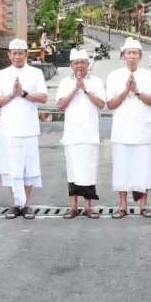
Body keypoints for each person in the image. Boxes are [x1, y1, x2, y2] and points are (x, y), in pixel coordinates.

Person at [0, 38, 49, 219]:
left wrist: (23, 93)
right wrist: (11, 94)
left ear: (26, 54)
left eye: (20, 53)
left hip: (29, 127)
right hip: (8, 129)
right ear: (9, 55)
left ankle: (25, 204)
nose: (17, 56)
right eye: (14, 53)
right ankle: (16, 203)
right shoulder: (1, 74)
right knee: (11, 167)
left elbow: (43, 97)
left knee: (28, 167)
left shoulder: (36, 73)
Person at [106, 37, 151, 218]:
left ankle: (144, 205)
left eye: (135, 53)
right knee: (122, 167)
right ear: (123, 56)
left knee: (143, 168)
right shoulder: (114, 76)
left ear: (140, 56)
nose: (131, 57)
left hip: (143, 130)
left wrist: (136, 91)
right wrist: (125, 91)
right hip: (122, 130)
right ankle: (122, 205)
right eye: (128, 53)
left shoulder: (149, 76)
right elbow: (110, 105)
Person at [55, 48, 106, 219]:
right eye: (76, 63)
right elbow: (60, 105)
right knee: (73, 170)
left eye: (82, 62)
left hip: (90, 134)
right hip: (72, 135)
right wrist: (75, 89)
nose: (79, 66)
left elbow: (100, 104)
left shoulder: (97, 81)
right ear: (71, 65)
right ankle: (73, 207)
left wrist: (84, 89)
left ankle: (88, 207)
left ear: (87, 64)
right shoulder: (64, 82)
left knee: (89, 171)